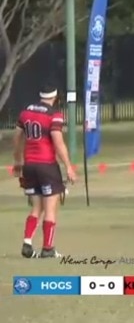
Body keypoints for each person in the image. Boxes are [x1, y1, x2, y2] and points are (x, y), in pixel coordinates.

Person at [13, 84, 77, 258]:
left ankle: (27, 243)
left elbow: (17, 137)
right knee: (50, 208)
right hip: (47, 166)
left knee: (36, 207)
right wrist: (68, 166)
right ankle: (48, 248)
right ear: (55, 97)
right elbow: (58, 142)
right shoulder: (53, 115)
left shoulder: (25, 112)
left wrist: (18, 161)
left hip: (29, 166)